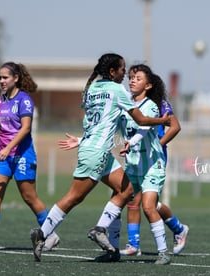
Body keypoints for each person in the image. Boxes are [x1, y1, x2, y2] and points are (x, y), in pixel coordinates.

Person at [29, 53, 169, 263]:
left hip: (97, 150)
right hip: (96, 152)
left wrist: (82, 140)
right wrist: (161, 120)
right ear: (112, 72)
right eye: (122, 69)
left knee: (127, 189)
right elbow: (139, 118)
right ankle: (43, 233)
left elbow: (93, 121)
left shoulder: (92, 88)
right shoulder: (116, 90)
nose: (125, 74)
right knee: (74, 197)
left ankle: (100, 229)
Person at [0, 62, 59, 250]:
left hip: (22, 155)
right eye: (0, 78)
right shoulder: (1, 99)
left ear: (16, 78)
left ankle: (51, 234)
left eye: (5, 77)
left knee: (29, 197)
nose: (2, 81)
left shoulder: (24, 100)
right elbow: (4, 128)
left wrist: (8, 148)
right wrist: (0, 149)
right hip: (1, 155)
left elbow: (25, 128)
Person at [119, 64, 189, 257]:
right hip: (134, 156)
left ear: (148, 84)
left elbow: (175, 127)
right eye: (130, 77)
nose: (132, 80)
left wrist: (159, 142)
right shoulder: (129, 103)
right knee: (135, 200)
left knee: (150, 204)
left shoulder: (159, 103)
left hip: (153, 157)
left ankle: (178, 229)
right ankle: (133, 245)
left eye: (137, 77)